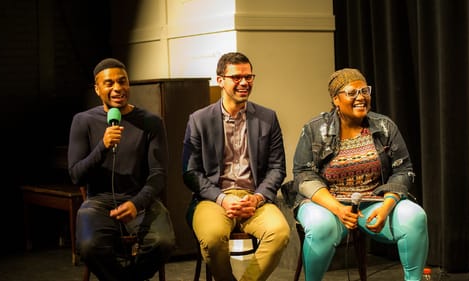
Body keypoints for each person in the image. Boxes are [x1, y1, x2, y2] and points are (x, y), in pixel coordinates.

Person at [291, 68, 429, 281]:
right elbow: (303, 174)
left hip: (374, 201)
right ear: (336, 99)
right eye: (352, 93)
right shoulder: (314, 129)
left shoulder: (384, 126)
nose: (361, 97)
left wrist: (386, 206)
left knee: (415, 217)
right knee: (321, 227)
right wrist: (338, 208)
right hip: (326, 203)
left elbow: (404, 170)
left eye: (364, 91)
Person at [182, 52, 291, 281]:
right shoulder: (199, 120)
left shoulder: (267, 118)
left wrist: (258, 197)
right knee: (212, 238)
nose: (244, 83)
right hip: (213, 198)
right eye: (237, 77)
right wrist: (222, 199)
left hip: (255, 198)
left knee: (280, 233)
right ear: (220, 80)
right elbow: (190, 172)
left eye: (249, 76)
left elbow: (277, 168)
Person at [68, 58, 176, 281]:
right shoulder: (83, 121)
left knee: (163, 242)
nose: (117, 88)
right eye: (109, 83)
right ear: (98, 89)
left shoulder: (151, 122)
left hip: (141, 199)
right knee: (89, 247)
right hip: (99, 201)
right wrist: (103, 146)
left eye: (122, 81)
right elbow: (76, 175)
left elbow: (158, 174)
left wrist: (137, 204)